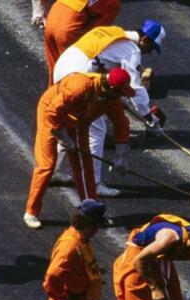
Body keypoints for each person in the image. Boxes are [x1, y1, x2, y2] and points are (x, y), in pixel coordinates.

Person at [51, 19, 166, 196]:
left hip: (62, 69)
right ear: (145, 40)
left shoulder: (114, 31)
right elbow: (135, 89)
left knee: (70, 124)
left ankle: (52, 171)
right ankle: (94, 183)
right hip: (77, 78)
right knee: (97, 130)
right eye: (151, 48)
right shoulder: (132, 50)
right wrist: (149, 119)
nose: (149, 53)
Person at [23, 68, 132, 230]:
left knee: (84, 167)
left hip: (79, 121)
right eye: (120, 92)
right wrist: (64, 138)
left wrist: (121, 157)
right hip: (51, 114)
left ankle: (92, 214)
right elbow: (52, 112)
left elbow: (121, 124)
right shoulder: (80, 86)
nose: (121, 97)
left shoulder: (112, 99)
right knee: (47, 165)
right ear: (110, 87)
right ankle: (31, 211)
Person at [43, 0, 121, 86]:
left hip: (52, 19)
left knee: (54, 70)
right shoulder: (114, 2)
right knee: (72, 75)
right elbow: (97, 32)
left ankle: (52, 96)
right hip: (68, 30)